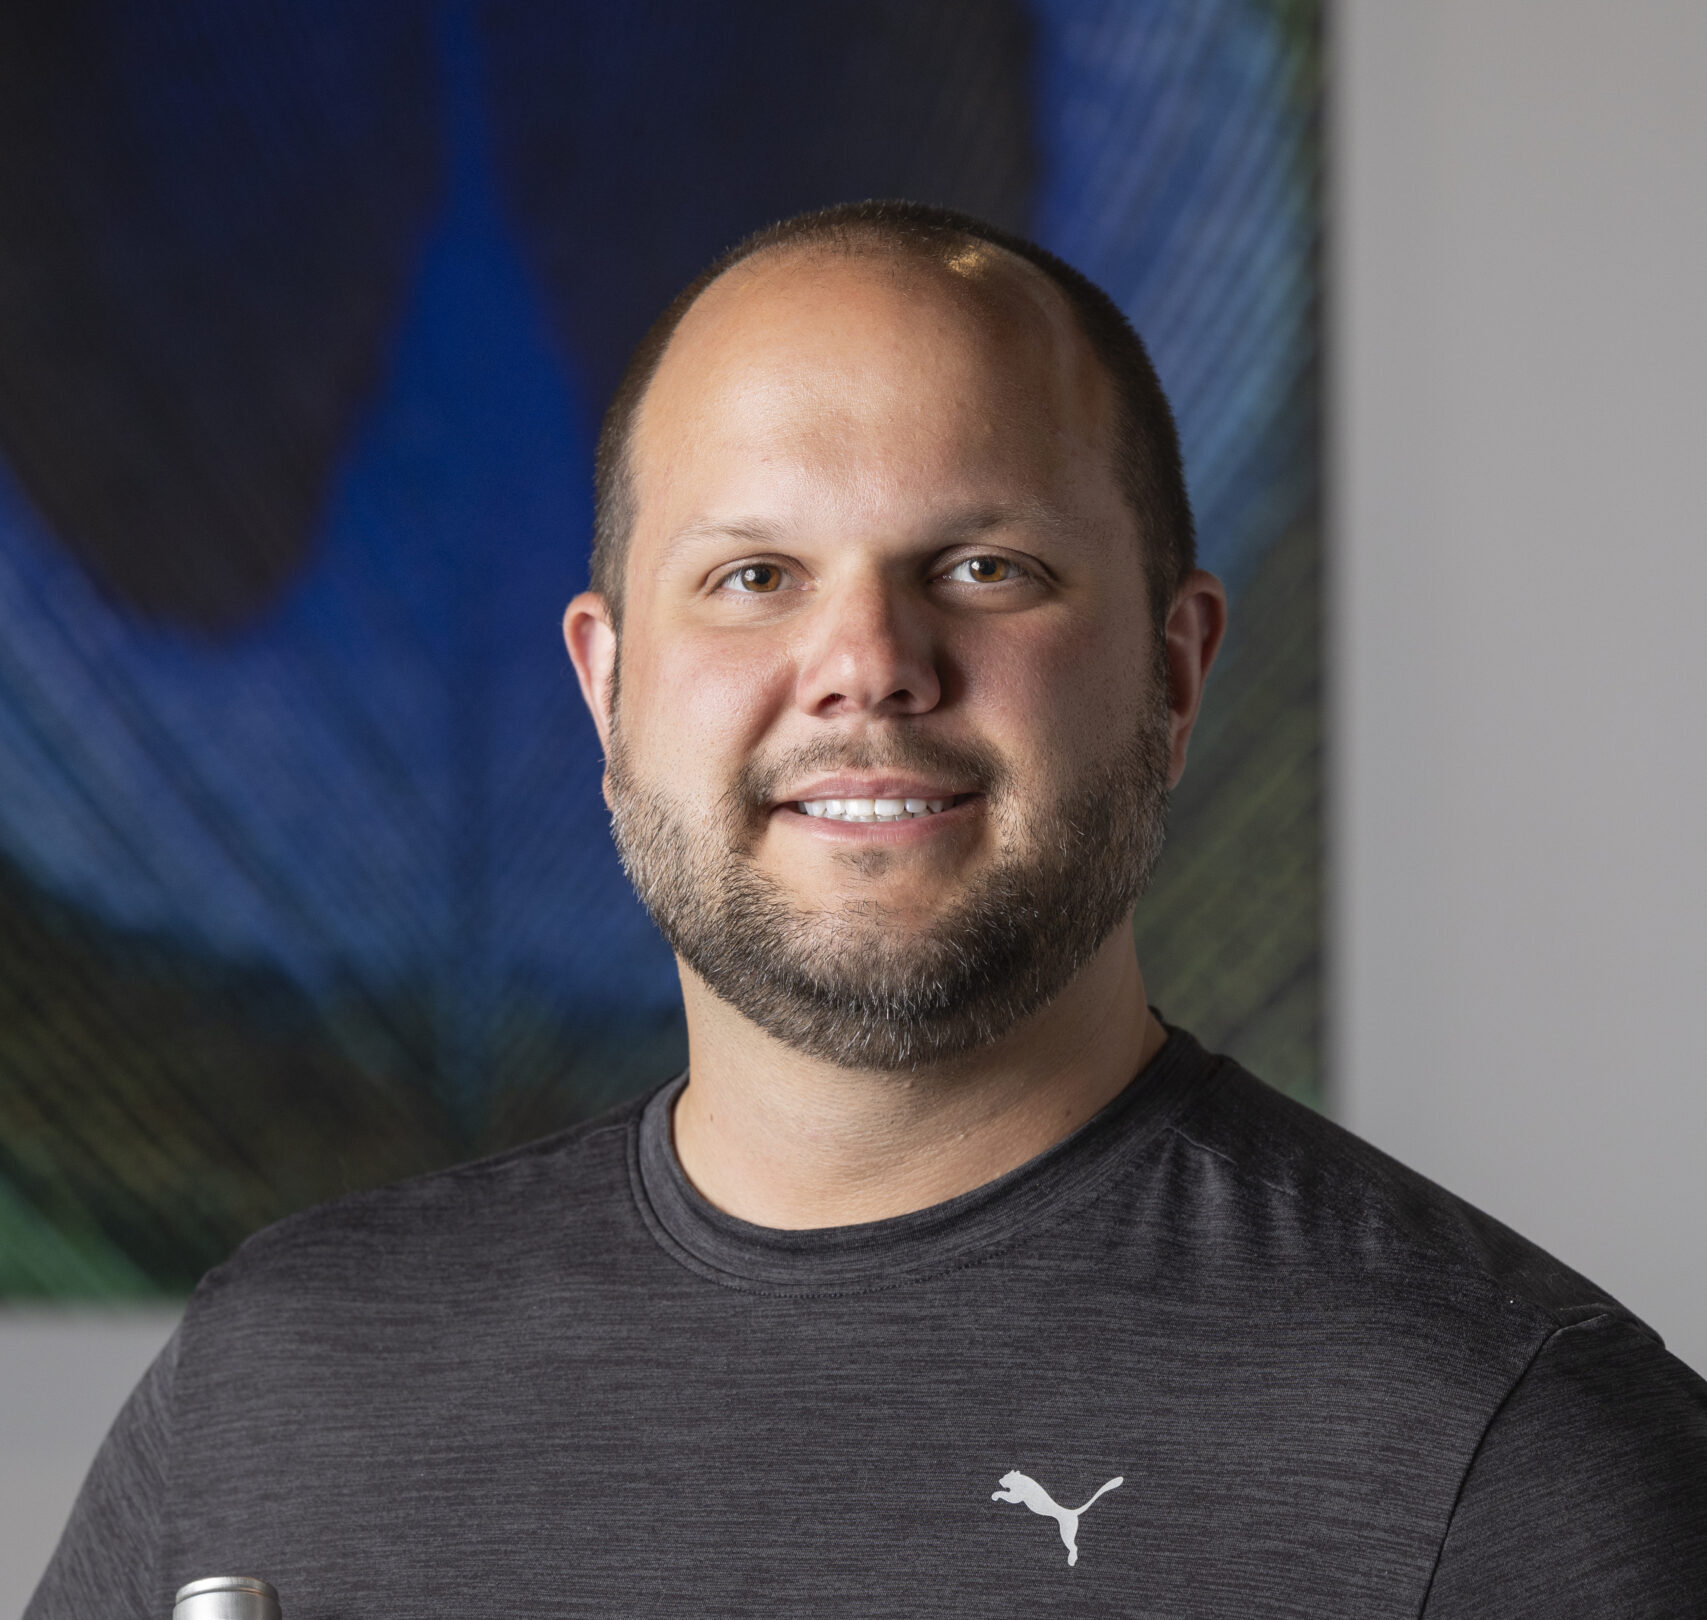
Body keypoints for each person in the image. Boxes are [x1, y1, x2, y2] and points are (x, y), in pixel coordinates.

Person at [30, 201, 1707, 1619]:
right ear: (609, 690)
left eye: (984, 568)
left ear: (1177, 672)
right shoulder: (277, 1394)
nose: (867, 666)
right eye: (754, 577)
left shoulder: (1520, 1451)